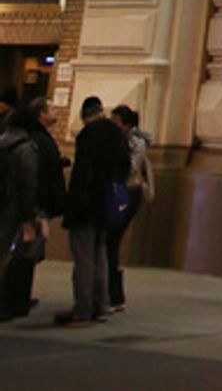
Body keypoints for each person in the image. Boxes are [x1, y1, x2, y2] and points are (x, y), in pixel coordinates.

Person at [55, 96, 130, 326]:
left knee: (84, 258)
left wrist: (73, 205)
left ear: (86, 115)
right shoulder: (116, 134)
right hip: (107, 204)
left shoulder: (88, 136)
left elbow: (82, 175)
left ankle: (83, 309)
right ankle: (102, 306)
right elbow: (125, 168)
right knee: (101, 256)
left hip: (86, 206)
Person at [0, 99, 66, 323]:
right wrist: (33, 216)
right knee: (21, 255)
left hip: (5, 205)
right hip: (18, 209)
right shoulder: (27, 148)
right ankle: (11, 302)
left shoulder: (3, 142)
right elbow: (29, 183)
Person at [104, 104, 153, 311]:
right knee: (111, 243)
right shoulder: (126, 140)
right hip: (124, 191)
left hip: (127, 192)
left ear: (126, 124)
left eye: (116, 122)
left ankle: (114, 295)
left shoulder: (135, 142)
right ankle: (113, 295)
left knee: (111, 241)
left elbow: (130, 167)